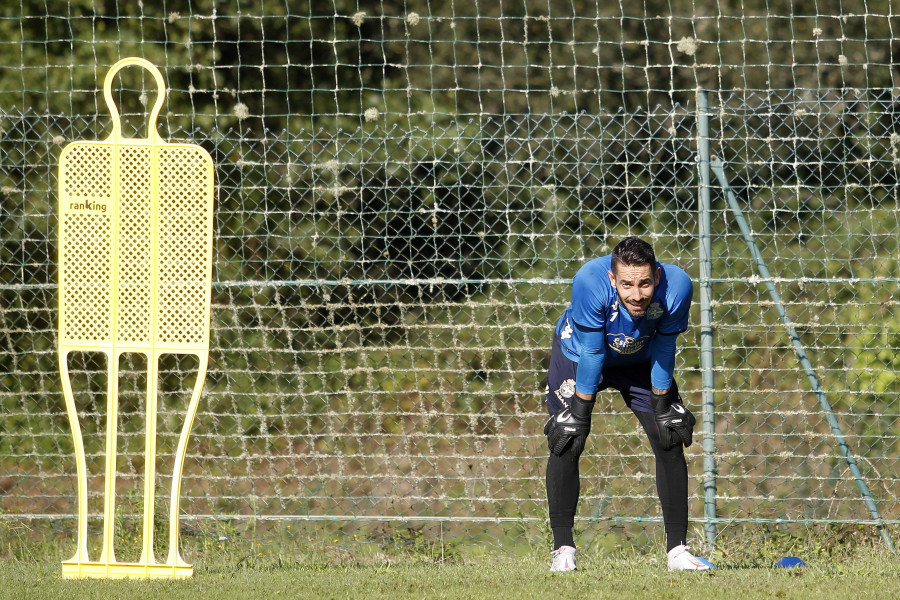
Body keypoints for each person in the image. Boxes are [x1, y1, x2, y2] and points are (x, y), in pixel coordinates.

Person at [543, 236, 714, 572]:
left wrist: (663, 401)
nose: (637, 295)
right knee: (568, 438)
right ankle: (563, 550)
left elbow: (665, 346)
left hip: (640, 358)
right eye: (627, 284)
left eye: (645, 283)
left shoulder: (677, 287)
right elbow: (593, 351)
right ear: (612, 279)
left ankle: (677, 551)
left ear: (658, 277)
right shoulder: (589, 282)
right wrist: (580, 410)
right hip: (581, 355)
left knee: (669, 436)